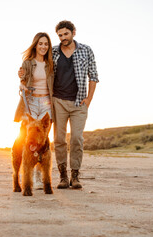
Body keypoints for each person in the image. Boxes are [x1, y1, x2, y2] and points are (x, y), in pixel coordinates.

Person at [53, 20, 99, 189]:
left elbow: (93, 76)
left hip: (79, 102)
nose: (63, 38)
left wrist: (89, 99)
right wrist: (22, 71)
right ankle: (63, 176)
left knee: (76, 139)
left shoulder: (86, 50)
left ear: (73, 32)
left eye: (66, 34)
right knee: (58, 139)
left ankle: (75, 175)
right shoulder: (53, 52)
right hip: (58, 101)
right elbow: (38, 64)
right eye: (60, 35)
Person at [14, 32, 54, 189]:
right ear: (35, 45)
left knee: (42, 138)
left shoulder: (51, 64)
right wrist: (21, 83)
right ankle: (26, 173)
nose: (43, 46)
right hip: (30, 101)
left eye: (46, 44)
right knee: (27, 136)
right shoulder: (27, 63)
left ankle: (39, 175)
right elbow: (22, 82)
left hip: (46, 102)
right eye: (40, 43)